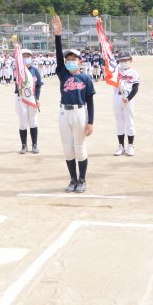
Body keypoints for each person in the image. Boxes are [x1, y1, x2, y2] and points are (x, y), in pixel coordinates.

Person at [52, 15, 95, 193]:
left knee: (79, 148)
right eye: (67, 58)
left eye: (73, 58)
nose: (70, 61)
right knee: (68, 148)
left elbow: (90, 101)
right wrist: (57, 35)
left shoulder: (85, 78)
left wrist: (91, 122)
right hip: (64, 113)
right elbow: (58, 54)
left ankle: (82, 179)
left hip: (79, 113)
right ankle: (72, 179)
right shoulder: (63, 74)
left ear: (80, 61)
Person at [15, 49, 44, 154]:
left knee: (33, 122)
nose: (26, 58)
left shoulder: (35, 70)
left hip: (32, 99)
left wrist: (37, 99)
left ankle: (34, 145)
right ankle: (23, 145)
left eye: (28, 56)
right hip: (21, 98)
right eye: (24, 56)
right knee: (23, 123)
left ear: (31, 58)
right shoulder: (18, 70)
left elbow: (39, 86)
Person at [113, 52, 140, 156]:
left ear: (130, 60)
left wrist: (129, 98)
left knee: (129, 121)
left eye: (126, 60)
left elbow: (136, 87)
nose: (124, 62)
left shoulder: (134, 72)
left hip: (128, 98)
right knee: (119, 121)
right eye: (122, 60)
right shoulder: (115, 71)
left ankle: (130, 145)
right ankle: (121, 146)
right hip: (117, 96)